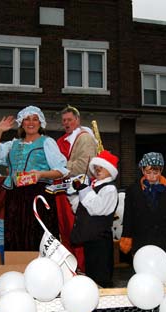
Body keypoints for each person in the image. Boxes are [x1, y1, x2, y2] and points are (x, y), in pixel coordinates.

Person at [0, 106, 68, 251]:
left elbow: (61, 171)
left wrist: (40, 174)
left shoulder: (47, 142)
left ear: (40, 123)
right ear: (22, 123)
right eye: (27, 119)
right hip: (15, 196)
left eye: (35, 119)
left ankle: (40, 269)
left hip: (38, 195)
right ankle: (18, 267)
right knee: (15, 234)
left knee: (36, 234)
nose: (31, 123)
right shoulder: (13, 144)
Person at [56, 105, 98, 271]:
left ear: (77, 120)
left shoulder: (84, 138)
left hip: (80, 194)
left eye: (69, 120)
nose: (66, 123)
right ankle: (71, 267)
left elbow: (84, 166)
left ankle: (82, 267)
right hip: (65, 193)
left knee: (78, 230)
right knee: (66, 231)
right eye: (64, 120)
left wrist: (59, 167)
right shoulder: (62, 141)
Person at [70, 150, 119, 288]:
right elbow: (81, 208)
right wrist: (73, 195)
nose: (97, 171)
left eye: (101, 168)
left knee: (101, 275)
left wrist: (84, 190)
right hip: (90, 238)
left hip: (101, 240)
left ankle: (105, 307)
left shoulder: (109, 189)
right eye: (95, 168)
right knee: (91, 274)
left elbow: (97, 208)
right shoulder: (92, 187)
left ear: (110, 170)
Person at [119, 152, 166, 256]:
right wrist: (126, 237)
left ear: (161, 170)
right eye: (148, 172)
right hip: (140, 240)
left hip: (163, 241)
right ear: (142, 170)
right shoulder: (133, 190)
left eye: (155, 172)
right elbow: (128, 216)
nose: (152, 176)